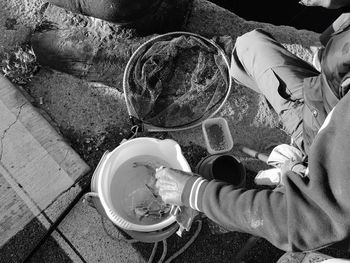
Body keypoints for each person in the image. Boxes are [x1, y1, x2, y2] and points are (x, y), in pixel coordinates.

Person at [155, 1, 350, 262]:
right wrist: (329, 56)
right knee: (248, 46)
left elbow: (307, 221)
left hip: (322, 144)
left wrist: (193, 192)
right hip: (322, 102)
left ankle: (301, 154)